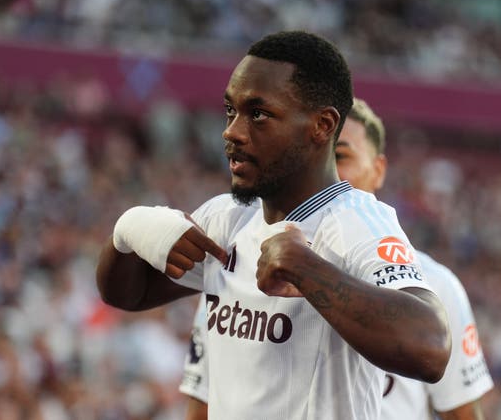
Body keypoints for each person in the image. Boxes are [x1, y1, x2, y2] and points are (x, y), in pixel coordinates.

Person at [96, 31, 451, 419]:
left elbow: (430, 347)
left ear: (321, 125)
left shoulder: (355, 222)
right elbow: (127, 295)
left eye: (258, 114)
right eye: (231, 110)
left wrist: (307, 269)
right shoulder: (226, 218)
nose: (231, 131)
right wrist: (128, 232)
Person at [179, 98, 494, 419]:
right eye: (315, 157)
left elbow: (462, 413)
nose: (326, 172)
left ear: (378, 170)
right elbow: (202, 405)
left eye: (340, 156)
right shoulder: (237, 263)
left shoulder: (433, 287)